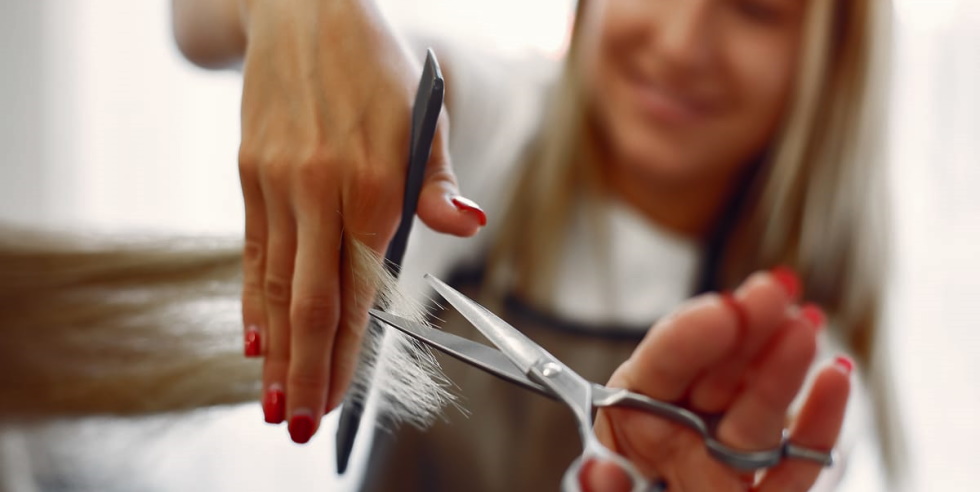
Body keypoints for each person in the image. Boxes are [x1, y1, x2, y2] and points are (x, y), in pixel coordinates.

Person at [0, 0, 893, 490]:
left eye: (754, 9)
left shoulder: (795, 395)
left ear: (829, 60)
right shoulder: (484, 134)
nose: (683, 38)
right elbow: (195, 19)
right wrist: (300, 16)